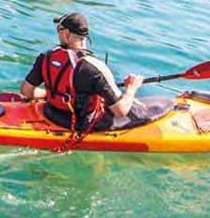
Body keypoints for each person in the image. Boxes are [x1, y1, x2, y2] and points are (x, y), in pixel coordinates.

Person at [19, 12, 172, 136]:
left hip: (51, 113)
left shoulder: (45, 57)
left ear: (66, 34)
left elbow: (27, 91)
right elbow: (120, 111)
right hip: (82, 123)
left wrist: (54, 94)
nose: (58, 34)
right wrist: (132, 88)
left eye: (58, 30)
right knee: (166, 104)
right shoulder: (95, 67)